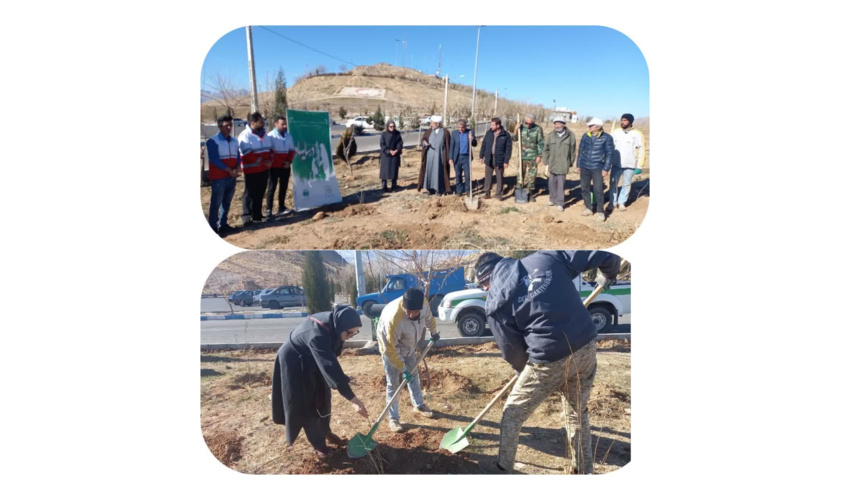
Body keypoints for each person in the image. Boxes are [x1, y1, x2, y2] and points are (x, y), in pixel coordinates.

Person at [474, 250, 621, 475]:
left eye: (484, 284)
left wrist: (524, 371)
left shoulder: (495, 302)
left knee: (512, 414)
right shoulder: (545, 258)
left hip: (547, 358)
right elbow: (600, 253)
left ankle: (502, 469)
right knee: (577, 413)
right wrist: (609, 273)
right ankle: (584, 471)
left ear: (489, 276)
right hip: (585, 346)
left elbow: (511, 350)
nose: (485, 289)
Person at [271, 305, 369, 456]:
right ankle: (319, 445)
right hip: (295, 363)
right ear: (341, 327)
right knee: (309, 405)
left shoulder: (334, 323)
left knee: (323, 397)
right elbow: (331, 367)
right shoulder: (317, 335)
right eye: (349, 333)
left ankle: (325, 431)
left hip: (312, 359)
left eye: (354, 333)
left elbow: (330, 358)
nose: (350, 336)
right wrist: (353, 399)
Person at [376, 288, 440, 433]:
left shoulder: (423, 304)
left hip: (409, 346)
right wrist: (403, 369)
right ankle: (393, 419)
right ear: (404, 306)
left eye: (416, 312)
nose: (412, 315)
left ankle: (419, 405)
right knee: (393, 383)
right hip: (390, 348)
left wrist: (433, 332)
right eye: (409, 311)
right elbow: (390, 349)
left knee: (414, 374)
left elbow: (429, 318)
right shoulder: (393, 319)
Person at [205, 115, 242, 235]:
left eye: (230, 125)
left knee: (227, 202)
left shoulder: (235, 141)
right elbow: (214, 159)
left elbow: (238, 156)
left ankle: (223, 224)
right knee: (216, 203)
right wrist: (228, 169)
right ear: (220, 126)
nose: (229, 128)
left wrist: (237, 168)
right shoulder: (213, 141)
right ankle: (213, 227)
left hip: (231, 176)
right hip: (219, 177)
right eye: (226, 125)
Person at [237, 112, 273, 226]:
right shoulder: (245, 135)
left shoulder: (265, 135)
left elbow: (270, 149)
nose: (263, 123)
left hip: (264, 169)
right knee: (250, 193)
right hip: (251, 170)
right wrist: (262, 161)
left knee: (260, 192)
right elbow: (247, 153)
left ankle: (257, 215)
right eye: (261, 122)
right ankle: (247, 217)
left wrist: (270, 160)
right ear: (253, 123)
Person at [577, 118, 614, 222]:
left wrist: (606, 168)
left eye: (591, 125)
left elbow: (609, 154)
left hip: (598, 167)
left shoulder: (607, 138)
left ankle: (600, 212)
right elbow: (581, 151)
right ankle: (588, 208)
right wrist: (578, 164)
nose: (588, 127)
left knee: (598, 190)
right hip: (584, 166)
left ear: (597, 127)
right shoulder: (585, 136)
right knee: (585, 188)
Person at [609, 113, 645, 211]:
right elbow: (609, 147)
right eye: (622, 120)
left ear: (630, 122)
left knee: (627, 184)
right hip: (616, 164)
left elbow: (641, 150)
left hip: (630, 164)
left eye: (625, 120)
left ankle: (621, 202)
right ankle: (612, 202)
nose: (622, 122)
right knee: (613, 183)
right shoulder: (615, 132)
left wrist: (639, 166)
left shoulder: (637, 134)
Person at [542, 115, 577, 212]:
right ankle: (552, 199)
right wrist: (546, 160)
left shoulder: (570, 136)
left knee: (561, 185)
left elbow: (573, 151)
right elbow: (546, 149)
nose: (557, 126)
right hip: (552, 163)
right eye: (555, 124)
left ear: (564, 124)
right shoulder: (550, 136)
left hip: (563, 164)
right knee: (552, 183)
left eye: (559, 124)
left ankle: (560, 203)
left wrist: (570, 162)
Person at [265, 115, 296, 217]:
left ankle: (281, 207)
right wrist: (273, 162)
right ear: (276, 124)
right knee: (272, 187)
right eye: (282, 124)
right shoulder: (270, 136)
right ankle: (269, 209)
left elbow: (291, 150)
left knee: (283, 187)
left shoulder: (289, 136)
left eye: (285, 124)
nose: (285, 126)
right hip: (274, 167)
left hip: (285, 166)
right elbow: (268, 151)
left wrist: (289, 162)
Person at [511, 113, 545, 200]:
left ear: (533, 122)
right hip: (521, 156)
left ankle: (530, 193)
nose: (528, 125)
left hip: (533, 156)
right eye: (527, 123)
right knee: (520, 174)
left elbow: (541, 143)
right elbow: (514, 139)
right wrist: (515, 129)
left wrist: (539, 156)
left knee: (532, 176)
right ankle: (519, 191)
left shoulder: (538, 129)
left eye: (530, 124)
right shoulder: (521, 127)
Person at [478, 117, 513, 200]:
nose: (491, 126)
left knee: (499, 177)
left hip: (499, 159)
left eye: (493, 125)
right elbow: (484, 145)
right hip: (489, 158)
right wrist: (481, 156)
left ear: (498, 125)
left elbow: (508, 149)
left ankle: (499, 194)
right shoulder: (489, 133)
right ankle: (487, 193)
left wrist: (506, 161)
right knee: (488, 177)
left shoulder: (506, 135)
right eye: (491, 125)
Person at [418, 115, 451, 195]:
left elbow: (448, 145)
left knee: (439, 173)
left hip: (440, 157)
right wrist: (425, 143)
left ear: (437, 124)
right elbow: (423, 140)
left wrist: (448, 158)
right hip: (429, 157)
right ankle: (429, 189)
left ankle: (439, 190)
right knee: (429, 172)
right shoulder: (429, 132)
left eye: (432, 123)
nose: (431, 125)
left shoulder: (445, 132)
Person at [449, 118, 478, 196]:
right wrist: (450, 158)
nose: (461, 129)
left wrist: (472, 139)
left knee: (467, 175)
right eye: (459, 127)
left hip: (466, 157)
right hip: (457, 157)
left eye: (462, 128)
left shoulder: (470, 132)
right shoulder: (454, 133)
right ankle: (459, 190)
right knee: (458, 175)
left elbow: (475, 144)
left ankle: (468, 190)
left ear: (465, 126)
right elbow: (452, 146)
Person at [379, 120, 404, 192]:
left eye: (393, 126)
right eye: (390, 127)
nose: (392, 128)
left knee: (394, 170)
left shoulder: (397, 133)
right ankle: (384, 186)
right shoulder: (384, 134)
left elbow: (400, 143)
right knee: (385, 171)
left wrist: (396, 150)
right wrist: (389, 151)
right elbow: (382, 144)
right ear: (387, 127)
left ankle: (394, 186)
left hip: (395, 154)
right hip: (386, 155)